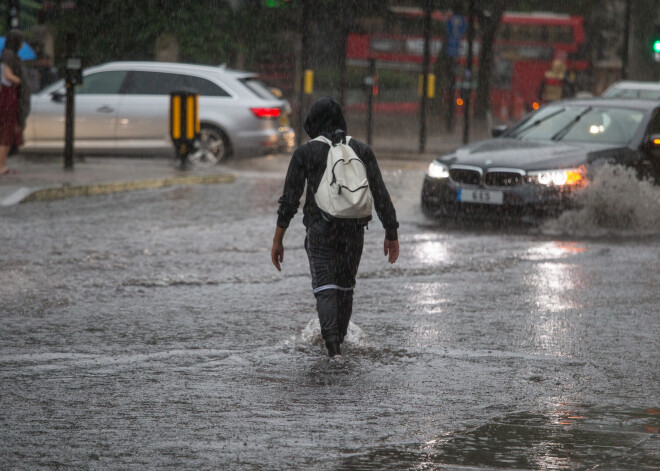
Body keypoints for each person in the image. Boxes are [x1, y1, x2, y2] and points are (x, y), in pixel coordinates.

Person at [271, 96, 399, 358]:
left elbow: (289, 200)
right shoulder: (361, 150)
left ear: (313, 122)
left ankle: (333, 350)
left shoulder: (307, 152)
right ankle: (338, 341)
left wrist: (277, 240)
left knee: (325, 289)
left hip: (321, 231)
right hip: (354, 231)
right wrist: (391, 232)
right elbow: (380, 194)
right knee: (345, 288)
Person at [0, 29, 30, 174]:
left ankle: (2, 165)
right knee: (6, 133)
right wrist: (19, 80)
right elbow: (7, 74)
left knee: (6, 133)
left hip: (10, 97)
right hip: (8, 97)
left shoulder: (10, 55)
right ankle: (1, 166)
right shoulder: (8, 55)